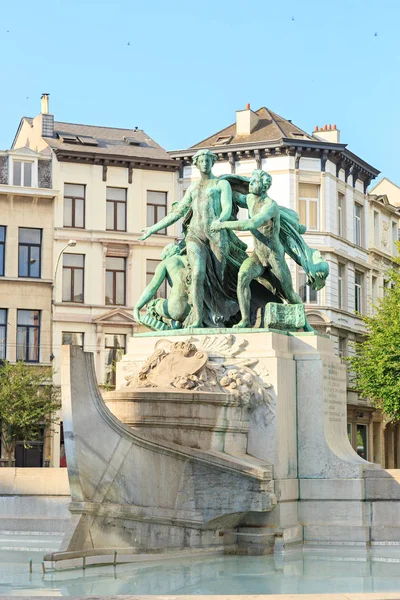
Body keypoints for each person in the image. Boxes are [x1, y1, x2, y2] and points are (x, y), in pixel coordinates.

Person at [139, 149, 247, 328]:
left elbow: (227, 206)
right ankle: (197, 318)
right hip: (195, 235)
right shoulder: (193, 188)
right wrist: (153, 228)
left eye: (207, 160)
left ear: (212, 162)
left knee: (220, 278)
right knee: (197, 274)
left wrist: (221, 220)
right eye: (201, 160)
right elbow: (178, 212)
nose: (204, 163)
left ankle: (223, 315)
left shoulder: (221, 185)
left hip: (216, 234)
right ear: (197, 164)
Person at [211, 170, 316, 331]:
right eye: (251, 181)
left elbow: (252, 223)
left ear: (264, 186)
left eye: (254, 182)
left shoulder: (270, 206)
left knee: (289, 293)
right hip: (258, 256)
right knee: (243, 276)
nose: (250, 184)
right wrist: (217, 189)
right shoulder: (250, 198)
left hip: (274, 257)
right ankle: (245, 320)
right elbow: (234, 197)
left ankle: (307, 326)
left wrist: (222, 225)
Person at [133, 243, 189, 329]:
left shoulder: (166, 263)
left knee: (152, 306)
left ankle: (171, 322)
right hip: (194, 309)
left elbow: (152, 287)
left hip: (176, 307)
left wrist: (137, 307)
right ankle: (173, 322)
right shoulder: (190, 260)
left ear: (167, 253)